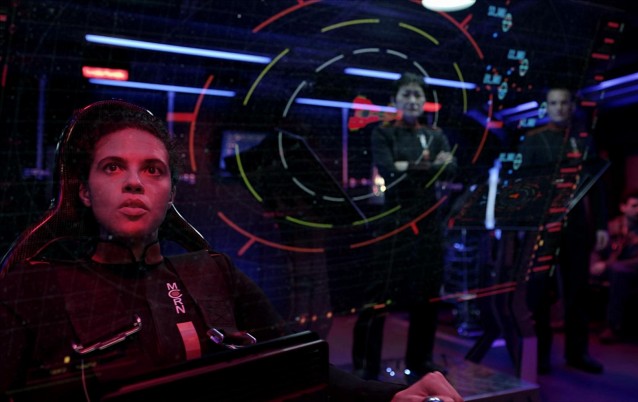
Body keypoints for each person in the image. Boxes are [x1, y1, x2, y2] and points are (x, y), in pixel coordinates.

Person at [0, 99, 464, 402]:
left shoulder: (211, 274)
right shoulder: (33, 289)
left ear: (170, 193)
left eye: (153, 170)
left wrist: (387, 395)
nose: (135, 182)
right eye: (113, 167)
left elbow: (298, 364)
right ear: (82, 191)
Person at [352, 73, 457, 383]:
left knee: (428, 294)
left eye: (417, 95)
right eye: (406, 95)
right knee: (378, 295)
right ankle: (365, 366)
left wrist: (407, 165)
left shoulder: (435, 134)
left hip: (428, 223)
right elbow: (389, 170)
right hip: (395, 221)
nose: (412, 100)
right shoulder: (383, 133)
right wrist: (431, 165)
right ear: (394, 100)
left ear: (424, 101)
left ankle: (420, 361)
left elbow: (451, 168)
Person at [518, 86, 609, 374]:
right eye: (553, 103)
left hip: (576, 225)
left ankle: (577, 353)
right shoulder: (533, 140)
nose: (559, 107)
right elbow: (525, 186)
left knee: (577, 290)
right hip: (544, 226)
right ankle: (541, 355)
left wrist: (602, 225)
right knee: (540, 292)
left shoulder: (584, 141)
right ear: (547, 107)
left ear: (572, 106)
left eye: (563, 102)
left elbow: (596, 186)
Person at [590, 188, 638, 344]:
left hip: (631, 271)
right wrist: (594, 264)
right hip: (608, 268)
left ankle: (613, 326)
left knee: (618, 272)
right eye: (634, 206)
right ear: (623, 207)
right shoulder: (611, 227)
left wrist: (610, 265)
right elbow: (597, 250)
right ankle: (566, 317)